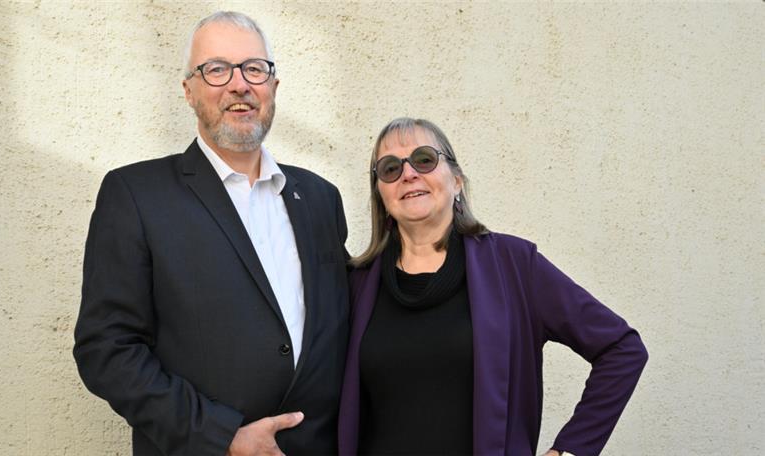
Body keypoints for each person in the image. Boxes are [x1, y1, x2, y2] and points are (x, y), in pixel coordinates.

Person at [73, 11, 349, 456]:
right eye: (216, 69)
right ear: (189, 90)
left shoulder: (320, 198)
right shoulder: (136, 195)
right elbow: (106, 349)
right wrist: (222, 437)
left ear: (273, 86)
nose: (239, 85)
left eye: (254, 68)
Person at [338, 117, 648, 456]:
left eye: (424, 159)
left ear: (456, 181)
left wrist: (569, 451)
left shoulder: (515, 266)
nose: (409, 173)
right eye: (390, 168)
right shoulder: (357, 283)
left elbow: (622, 349)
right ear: (381, 194)